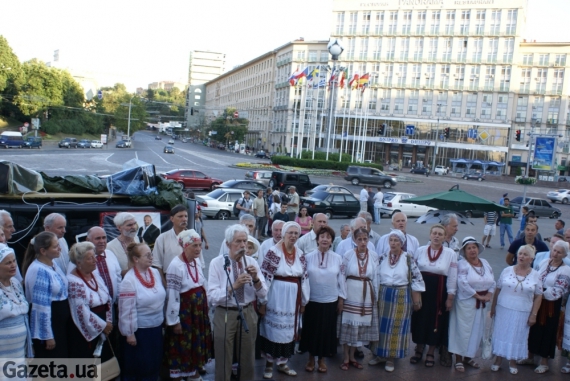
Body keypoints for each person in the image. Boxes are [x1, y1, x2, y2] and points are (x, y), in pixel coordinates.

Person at [208, 225, 267, 381]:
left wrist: (255, 279)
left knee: (248, 357)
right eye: (238, 242)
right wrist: (233, 287)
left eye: (245, 241)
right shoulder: (216, 263)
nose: (242, 246)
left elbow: (264, 294)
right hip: (225, 312)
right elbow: (212, 297)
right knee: (223, 356)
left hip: (248, 312)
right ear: (228, 244)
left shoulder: (252, 264)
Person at [259, 222, 309, 378]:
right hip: (276, 295)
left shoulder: (300, 254)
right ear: (284, 234)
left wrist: (304, 301)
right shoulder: (273, 252)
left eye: (296, 233)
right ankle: (268, 364)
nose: (293, 236)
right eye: (290, 233)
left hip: (293, 297)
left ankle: (282, 363)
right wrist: (263, 301)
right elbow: (265, 278)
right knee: (273, 330)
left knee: (288, 331)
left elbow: (305, 279)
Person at [372, 230, 425, 372]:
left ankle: (391, 358)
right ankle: (380, 355)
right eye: (391, 240)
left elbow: (417, 279)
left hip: (401, 295)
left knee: (396, 328)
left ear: (402, 243)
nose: (393, 243)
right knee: (382, 328)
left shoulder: (408, 258)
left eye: (397, 241)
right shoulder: (382, 257)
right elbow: (375, 276)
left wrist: (416, 300)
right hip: (384, 295)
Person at [164, 230, 212, 380]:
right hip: (185, 311)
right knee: (183, 343)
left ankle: (193, 372)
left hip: (197, 311)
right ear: (185, 246)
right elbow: (172, 294)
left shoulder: (195, 261)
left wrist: (207, 301)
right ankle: (180, 376)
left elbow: (202, 281)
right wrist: (174, 320)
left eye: (199, 245)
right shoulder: (176, 266)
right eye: (194, 246)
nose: (198, 249)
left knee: (194, 342)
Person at [517, 240, 570, 373]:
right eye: (554, 250)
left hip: (550, 305)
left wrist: (539, 294)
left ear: (564, 255)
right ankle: (530, 356)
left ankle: (544, 362)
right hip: (537, 300)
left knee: (547, 330)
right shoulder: (544, 262)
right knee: (532, 328)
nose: (555, 254)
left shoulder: (566, 270)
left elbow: (558, 291)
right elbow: (534, 277)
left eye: (559, 252)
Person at [410, 224, 457, 368]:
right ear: (430, 235)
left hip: (439, 292)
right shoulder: (420, 250)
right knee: (420, 318)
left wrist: (450, 297)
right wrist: (414, 295)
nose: (436, 236)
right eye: (434, 233)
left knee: (436, 320)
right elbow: (413, 272)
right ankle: (419, 348)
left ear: (444, 237)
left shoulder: (450, 253)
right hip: (422, 291)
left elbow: (452, 277)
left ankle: (430, 351)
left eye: (440, 234)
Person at [490, 245, 542, 374]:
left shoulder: (536, 275)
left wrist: (533, 314)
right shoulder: (507, 270)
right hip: (504, 308)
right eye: (520, 254)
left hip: (522, 310)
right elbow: (498, 289)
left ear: (531, 258)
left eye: (525, 254)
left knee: (517, 335)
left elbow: (538, 296)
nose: (521, 256)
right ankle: (498, 359)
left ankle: (513, 362)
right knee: (501, 333)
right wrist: (493, 307)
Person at [119, 242, 166, 381]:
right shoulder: (129, 281)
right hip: (140, 331)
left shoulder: (155, 272)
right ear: (136, 259)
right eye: (147, 255)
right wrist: (130, 334)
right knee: (141, 366)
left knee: (154, 362)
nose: (151, 257)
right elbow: (126, 310)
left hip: (156, 328)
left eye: (151, 254)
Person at [448, 237, 496, 372]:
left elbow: (492, 281)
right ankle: (458, 359)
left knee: (476, 330)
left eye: (474, 247)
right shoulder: (462, 264)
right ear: (464, 251)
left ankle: (468, 357)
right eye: (468, 248)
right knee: (462, 330)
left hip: (482, 303)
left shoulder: (485, 262)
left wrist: (489, 295)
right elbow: (462, 283)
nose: (472, 250)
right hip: (466, 302)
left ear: (478, 249)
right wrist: (478, 296)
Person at [299, 226, 342, 374]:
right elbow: (303, 279)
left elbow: (341, 280)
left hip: (330, 300)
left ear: (331, 241)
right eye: (322, 236)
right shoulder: (307, 257)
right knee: (311, 329)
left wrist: (341, 300)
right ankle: (311, 358)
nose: (325, 239)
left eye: (328, 237)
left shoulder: (337, 258)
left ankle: (322, 359)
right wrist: (303, 300)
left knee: (326, 331)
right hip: (312, 300)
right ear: (317, 239)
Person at [23, 231, 70, 358]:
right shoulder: (38, 270)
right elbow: (40, 306)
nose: (59, 248)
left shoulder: (53, 264)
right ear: (43, 251)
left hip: (60, 324)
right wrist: (47, 335)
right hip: (51, 324)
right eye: (55, 246)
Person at [337, 227, 379, 371]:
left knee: (359, 328)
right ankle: (346, 357)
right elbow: (342, 276)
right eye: (359, 239)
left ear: (368, 240)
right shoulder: (348, 255)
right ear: (354, 240)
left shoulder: (373, 256)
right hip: (350, 294)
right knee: (348, 326)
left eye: (365, 239)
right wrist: (341, 297)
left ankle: (353, 356)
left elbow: (376, 277)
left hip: (366, 296)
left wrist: (376, 298)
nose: (362, 242)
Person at [67, 242, 113, 360]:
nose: (95, 260)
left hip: (103, 324)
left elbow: (107, 299)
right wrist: (102, 326)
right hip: (88, 329)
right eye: (90, 258)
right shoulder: (73, 282)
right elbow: (81, 311)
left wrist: (108, 322)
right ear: (79, 263)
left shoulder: (94, 275)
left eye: (94, 257)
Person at [0, 245, 32, 362]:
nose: (13, 265)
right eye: (8, 263)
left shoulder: (16, 283)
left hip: (19, 353)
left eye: (14, 261)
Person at [152, 204, 192, 282]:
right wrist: (164, 284)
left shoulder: (193, 237)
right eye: (180, 216)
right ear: (172, 219)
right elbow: (157, 265)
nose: (184, 219)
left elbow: (200, 263)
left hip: (191, 279)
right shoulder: (162, 238)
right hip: (169, 279)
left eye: (186, 216)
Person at [85, 227, 122, 304]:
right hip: (94, 308)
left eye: (104, 238)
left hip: (113, 305)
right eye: (98, 238)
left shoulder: (110, 254)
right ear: (88, 240)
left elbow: (118, 279)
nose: (102, 241)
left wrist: (119, 301)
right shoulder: (81, 259)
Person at [0, 210, 22, 282]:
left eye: (2, 235)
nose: (13, 230)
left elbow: (18, 279)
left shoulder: (8, 249)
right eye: (9, 226)